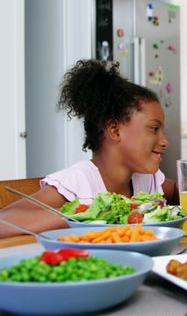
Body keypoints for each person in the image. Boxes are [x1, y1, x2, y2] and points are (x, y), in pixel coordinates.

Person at [0, 60, 177, 238]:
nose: (165, 141)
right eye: (154, 129)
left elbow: (182, 192)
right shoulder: (79, 181)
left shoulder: (147, 180)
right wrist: (85, 214)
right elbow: (3, 221)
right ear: (115, 130)